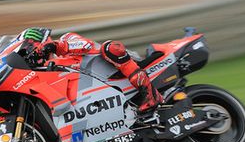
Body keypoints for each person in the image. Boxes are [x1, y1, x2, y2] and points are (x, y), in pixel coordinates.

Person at [18, 27, 163, 113]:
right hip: (103, 93)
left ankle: (151, 94)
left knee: (110, 47)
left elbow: (86, 45)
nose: (32, 49)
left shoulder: (66, 38)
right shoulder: (47, 70)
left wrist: (56, 46)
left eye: (32, 42)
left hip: (119, 68)